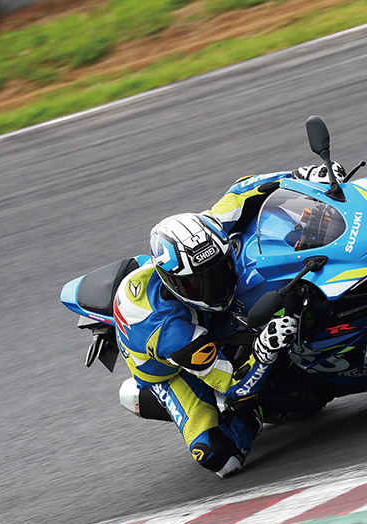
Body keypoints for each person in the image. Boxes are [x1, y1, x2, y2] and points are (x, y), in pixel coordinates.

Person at [112, 162, 345, 478]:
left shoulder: (208, 230)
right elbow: (233, 385)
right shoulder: (174, 334)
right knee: (218, 456)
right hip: (170, 368)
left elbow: (243, 189)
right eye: (199, 284)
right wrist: (264, 350)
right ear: (174, 284)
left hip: (198, 314)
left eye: (220, 269)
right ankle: (257, 413)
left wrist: (301, 174)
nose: (216, 286)